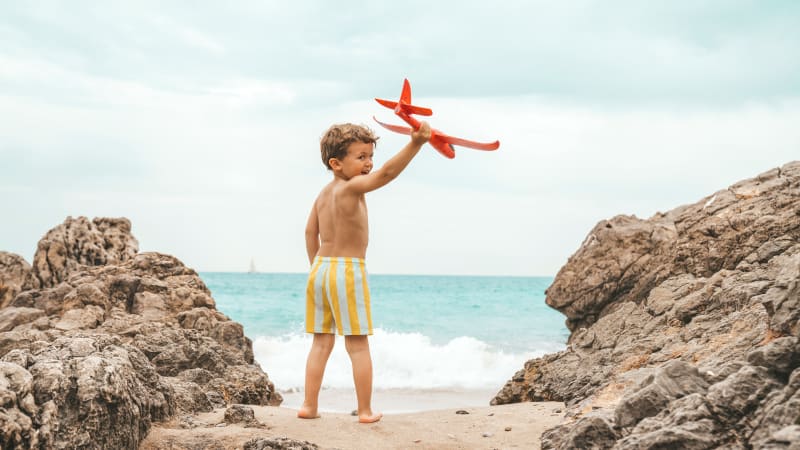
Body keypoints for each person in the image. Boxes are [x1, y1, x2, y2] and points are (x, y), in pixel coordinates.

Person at [298, 121, 431, 423]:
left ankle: (308, 405)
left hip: (320, 269)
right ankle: (365, 410)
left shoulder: (323, 193)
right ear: (336, 163)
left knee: (321, 341)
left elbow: (309, 232)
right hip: (347, 270)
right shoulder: (351, 187)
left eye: (370, 156)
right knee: (357, 345)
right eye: (361, 157)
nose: (369, 163)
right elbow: (387, 174)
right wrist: (416, 144)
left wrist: (315, 268)